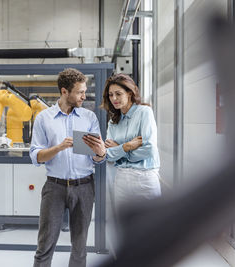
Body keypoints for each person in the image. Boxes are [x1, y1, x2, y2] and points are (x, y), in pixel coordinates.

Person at [30, 68, 106, 267]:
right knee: (45, 244)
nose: (84, 96)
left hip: (84, 187)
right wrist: (59, 147)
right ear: (65, 92)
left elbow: (97, 159)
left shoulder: (89, 118)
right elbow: (36, 156)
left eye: (84, 91)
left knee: (80, 247)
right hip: (54, 187)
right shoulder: (43, 118)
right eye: (80, 92)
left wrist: (100, 153)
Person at [100, 73, 161, 209]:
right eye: (110, 95)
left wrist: (120, 150)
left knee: (153, 226)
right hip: (121, 179)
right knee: (126, 228)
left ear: (129, 93)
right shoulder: (113, 122)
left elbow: (149, 149)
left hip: (145, 178)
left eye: (118, 94)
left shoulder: (144, 112)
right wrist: (127, 146)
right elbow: (108, 155)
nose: (114, 98)